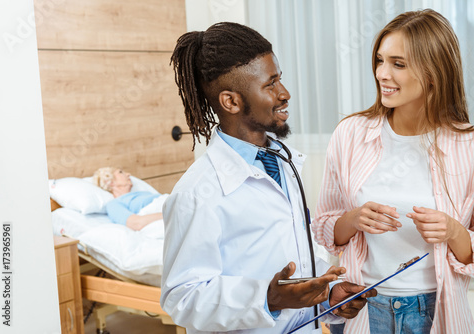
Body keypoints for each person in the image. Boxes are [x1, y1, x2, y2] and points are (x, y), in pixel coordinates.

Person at [160, 22, 376, 333]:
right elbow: (181, 298)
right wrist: (267, 298)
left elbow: (292, 258)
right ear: (231, 102)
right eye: (270, 84)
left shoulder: (282, 161)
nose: (284, 94)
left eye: (281, 79)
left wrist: (328, 297)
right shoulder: (196, 193)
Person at [313, 9, 474, 334]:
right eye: (380, 60)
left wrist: (454, 231)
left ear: (433, 73)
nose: (382, 73)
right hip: (364, 306)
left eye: (398, 64)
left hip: (434, 312)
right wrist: (352, 220)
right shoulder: (350, 134)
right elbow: (326, 227)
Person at [93, 167, 168, 231]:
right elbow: (136, 223)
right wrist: (170, 213)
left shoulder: (143, 193)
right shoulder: (113, 204)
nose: (128, 174)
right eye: (121, 172)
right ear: (110, 182)